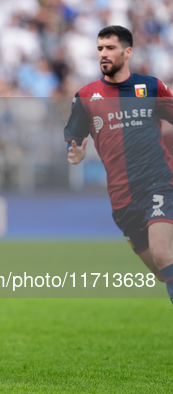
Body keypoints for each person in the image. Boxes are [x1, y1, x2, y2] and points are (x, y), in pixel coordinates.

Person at [64, 26, 173, 303]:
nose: (103, 54)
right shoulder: (86, 96)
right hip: (122, 198)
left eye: (110, 48)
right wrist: (74, 154)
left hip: (158, 183)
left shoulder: (150, 86)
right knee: (162, 271)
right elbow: (74, 138)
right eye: (100, 48)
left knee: (163, 254)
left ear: (128, 52)